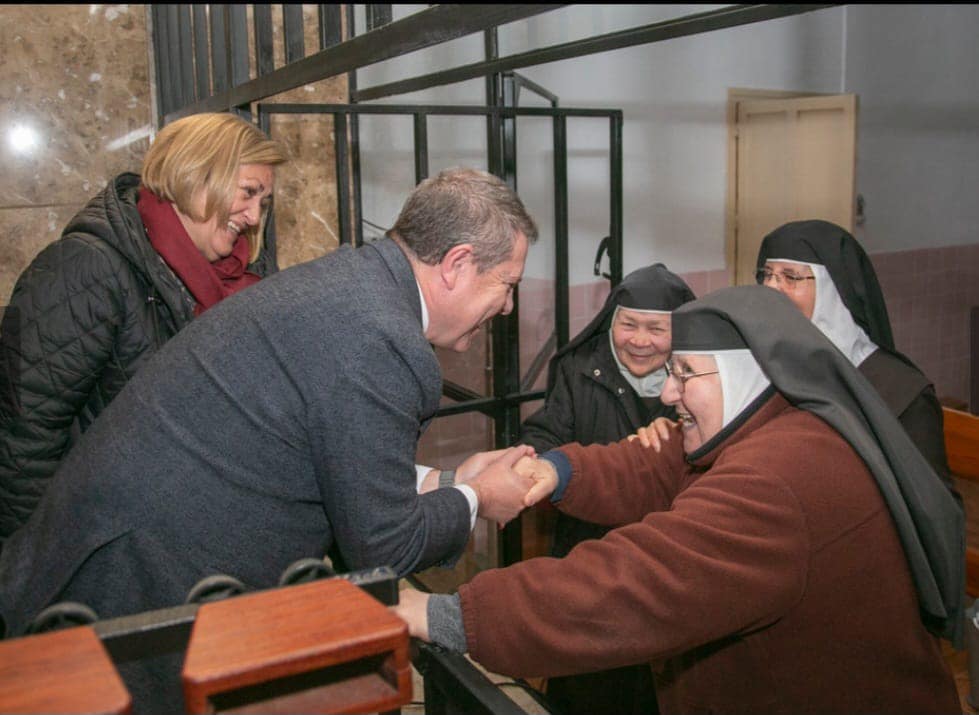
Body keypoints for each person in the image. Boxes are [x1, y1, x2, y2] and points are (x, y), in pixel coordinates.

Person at [0, 167, 539, 714]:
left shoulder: (354, 286)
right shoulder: (383, 339)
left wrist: (449, 481)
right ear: (458, 264)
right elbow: (385, 545)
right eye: (508, 284)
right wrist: (477, 499)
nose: (508, 306)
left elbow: (322, 450)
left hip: (121, 563)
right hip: (132, 595)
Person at [397, 285, 964, 715]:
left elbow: (632, 585)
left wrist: (450, 615)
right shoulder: (775, 422)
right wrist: (554, 470)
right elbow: (651, 463)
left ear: (747, 379)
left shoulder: (776, 482)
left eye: (685, 374)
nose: (669, 393)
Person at [0, 112, 288, 541]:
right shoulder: (85, 268)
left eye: (262, 202)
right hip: (100, 544)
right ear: (194, 174)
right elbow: (23, 441)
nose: (252, 216)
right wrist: (39, 570)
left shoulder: (238, 277)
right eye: (247, 193)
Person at [519, 262, 694, 715]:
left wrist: (677, 429)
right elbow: (544, 436)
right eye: (628, 324)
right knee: (586, 685)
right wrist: (535, 462)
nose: (639, 340)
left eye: (656, 329)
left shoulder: (699, 384)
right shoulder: (580, 368)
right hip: (588, 552)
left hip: (665, 563)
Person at [755, 219, 954, 496]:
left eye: (790, 277)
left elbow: (933, 506)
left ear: (833, 291)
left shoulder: (901, 392)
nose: (771, 289)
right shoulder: (764, 368)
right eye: (767, 274)